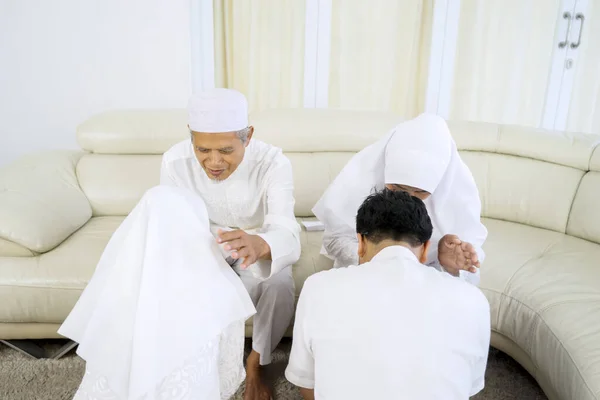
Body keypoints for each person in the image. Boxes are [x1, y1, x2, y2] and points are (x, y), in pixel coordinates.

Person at [59, 88, 301, 400]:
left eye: (226, 151)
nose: (213, 162)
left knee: (279, 282)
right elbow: (170, 225)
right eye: (202, 150)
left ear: (248, 136)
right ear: (191, 136)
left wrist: (262, 243)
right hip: (203, 245)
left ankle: (257, 362)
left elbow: (286, 229)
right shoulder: (174, 161)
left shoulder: (273, 163)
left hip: (255, 244)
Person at [286, 189, 491, 399]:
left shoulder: (317, 288)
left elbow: (306, 383)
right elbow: (468, 386)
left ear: (361, 242)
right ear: (426, 246)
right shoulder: (474, 299)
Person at [312, 113, 488, 286]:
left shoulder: (459, 198)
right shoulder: (361, 178)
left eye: (420, 191)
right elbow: (334, 239)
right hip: (363, 278)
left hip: (424, 288)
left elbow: (469, 277)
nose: (408, 199)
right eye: (396, 188)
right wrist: (376, 257)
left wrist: (449, 266)